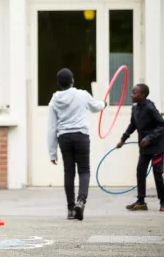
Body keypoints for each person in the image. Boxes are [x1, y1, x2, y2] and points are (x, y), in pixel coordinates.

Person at [47, 68, 107, 221]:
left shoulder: (54, 100)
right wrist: (104, 104)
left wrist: (52, 152)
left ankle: (70, 209)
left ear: (58, 83)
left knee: (69, 171)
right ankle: (81, 202)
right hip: (81, 136)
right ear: (72, 80)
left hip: (64, 137)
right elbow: (96, 107)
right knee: (84, 170)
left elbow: (52, 127)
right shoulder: (82, 94)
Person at [116, 83, 164, 212]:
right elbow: (132, 126)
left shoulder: (150, 107)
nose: (131, 95)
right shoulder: (135, 109)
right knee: (140, 172)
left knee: (157, 174)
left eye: (134, 93)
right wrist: (122, 139)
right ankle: (141, 202)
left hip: (156, 147)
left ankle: (163, 202)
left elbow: (162, 125)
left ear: (142, 95)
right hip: (144, 148)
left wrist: (149, 138)